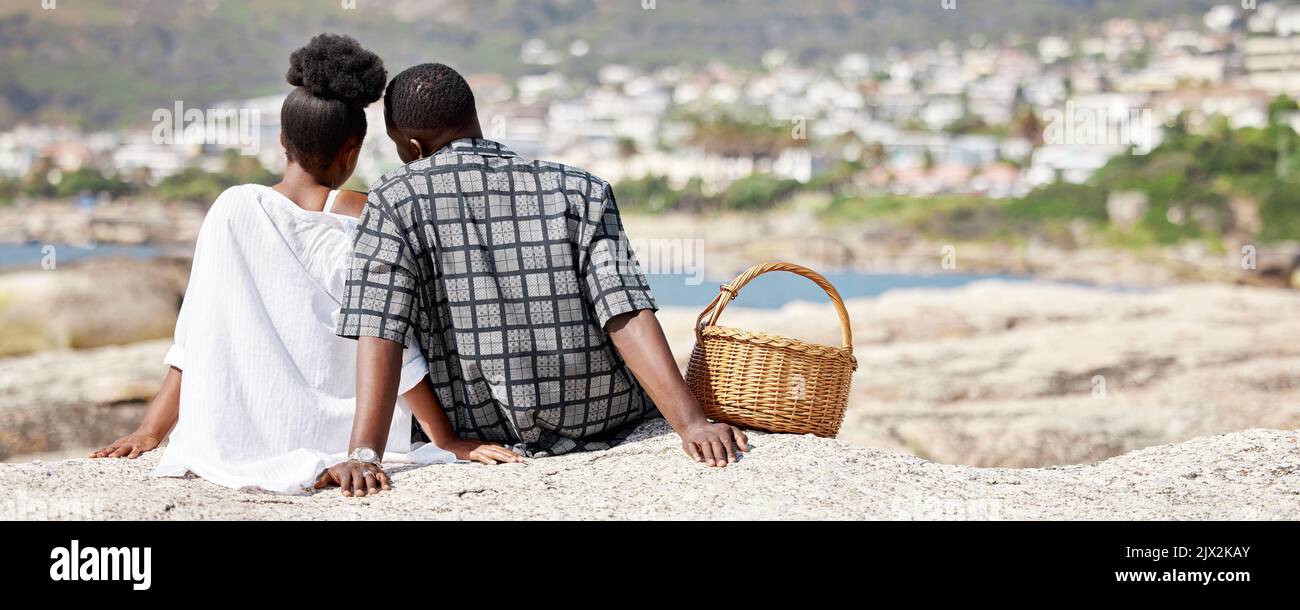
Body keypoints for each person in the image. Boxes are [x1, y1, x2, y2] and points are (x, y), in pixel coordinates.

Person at [92, 35, 520, 495]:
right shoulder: (361, 227)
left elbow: (195, 333)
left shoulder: (231, 208)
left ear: (282, 140)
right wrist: (445, 438)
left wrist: (151, 431)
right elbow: (391, 341)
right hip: (341, 442)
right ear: (352, 152)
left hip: (228, 445)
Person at [321, 62, 749, 496]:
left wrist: (364, 454)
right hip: (604, 414)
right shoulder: (582, 188)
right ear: (475, 118)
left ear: (412, 146)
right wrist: (691, 423)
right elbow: (625, 307)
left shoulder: (394, 199)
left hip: (483, 428)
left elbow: (381, 329)